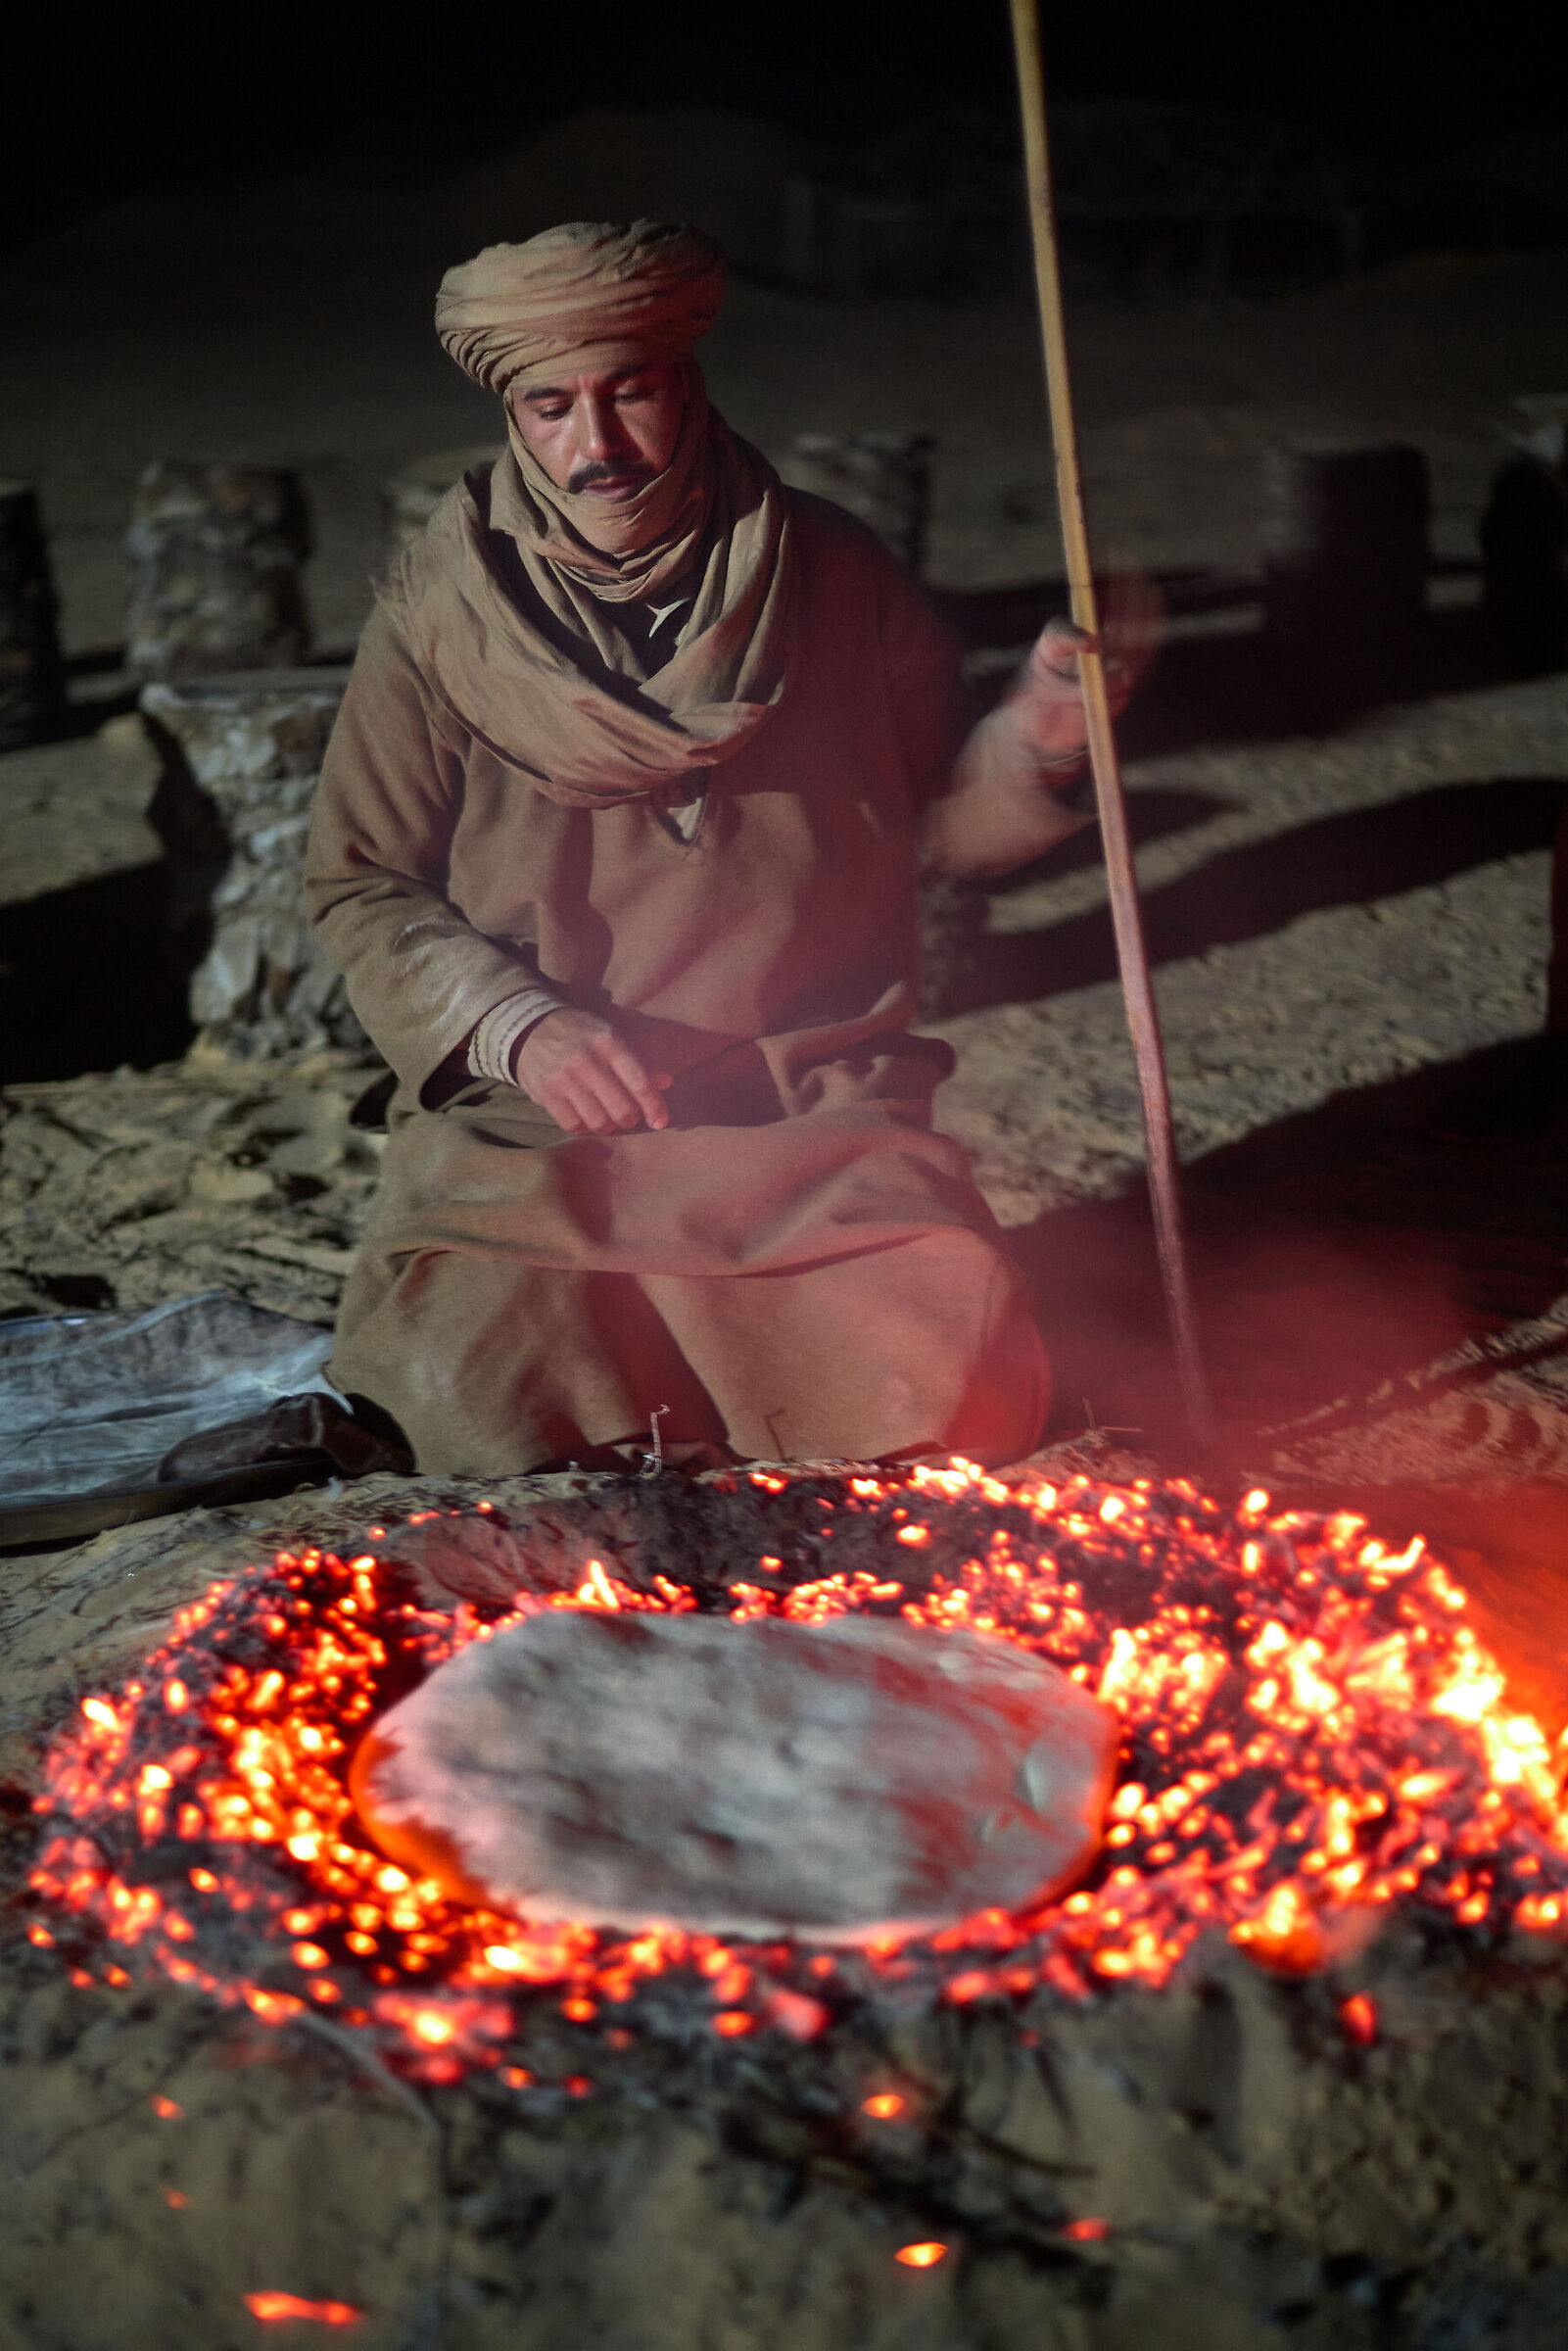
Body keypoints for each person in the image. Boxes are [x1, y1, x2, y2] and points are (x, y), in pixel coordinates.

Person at [304, 218, 1143, 1476]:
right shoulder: (437, 615)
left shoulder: (834, 572)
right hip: (545, 1129)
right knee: (464, 1393)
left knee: (947, 1383)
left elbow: (943, 827)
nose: (596, 446)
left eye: (627, 391)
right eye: (550, 406)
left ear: (682, 382)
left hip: (804, 1102)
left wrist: (1036, 737)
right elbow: (357, 878)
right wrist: (515, 1022)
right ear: (516, 417)